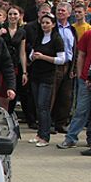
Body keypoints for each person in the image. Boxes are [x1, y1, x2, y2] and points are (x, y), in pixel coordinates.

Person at [27, 13, 64, 147]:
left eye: (48, 23)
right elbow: (31, 54)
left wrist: (44, 57)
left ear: (53, 24)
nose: (45, 25)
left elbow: (61, 59)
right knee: (38, 105)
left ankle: (45, 136)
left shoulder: (57, 39)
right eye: (43, 23)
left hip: (47, 76)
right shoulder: (39, 37)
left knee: (44, 107)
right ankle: (39, 133)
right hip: (36, 74)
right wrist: (34, 56)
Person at [57, 27, 91, 149]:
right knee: (81, 110)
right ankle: (71, 138)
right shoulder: (88, 35)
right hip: (86, 80)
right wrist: (81, 76)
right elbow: (81, 55)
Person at [0, 5, 28, 114]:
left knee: (6, 95)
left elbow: (22, 53)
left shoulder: (22, 32)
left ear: (20, 16)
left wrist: (24, 71)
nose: (12, 16)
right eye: (10, 14)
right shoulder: (0, 27)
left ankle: (3, 118)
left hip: (12, 65)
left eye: (15, 14)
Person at [52, 2, 77, 133]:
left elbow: (74, 49)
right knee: (52, 95)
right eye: (58, 10)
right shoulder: (52, 27)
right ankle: (48, 123)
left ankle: (61, 123)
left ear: (69, 13)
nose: (60, 12)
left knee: (65, 96)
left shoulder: (71, 29)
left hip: (68, 66)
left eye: (62, 11)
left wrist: (73, 68)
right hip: (54, 65)